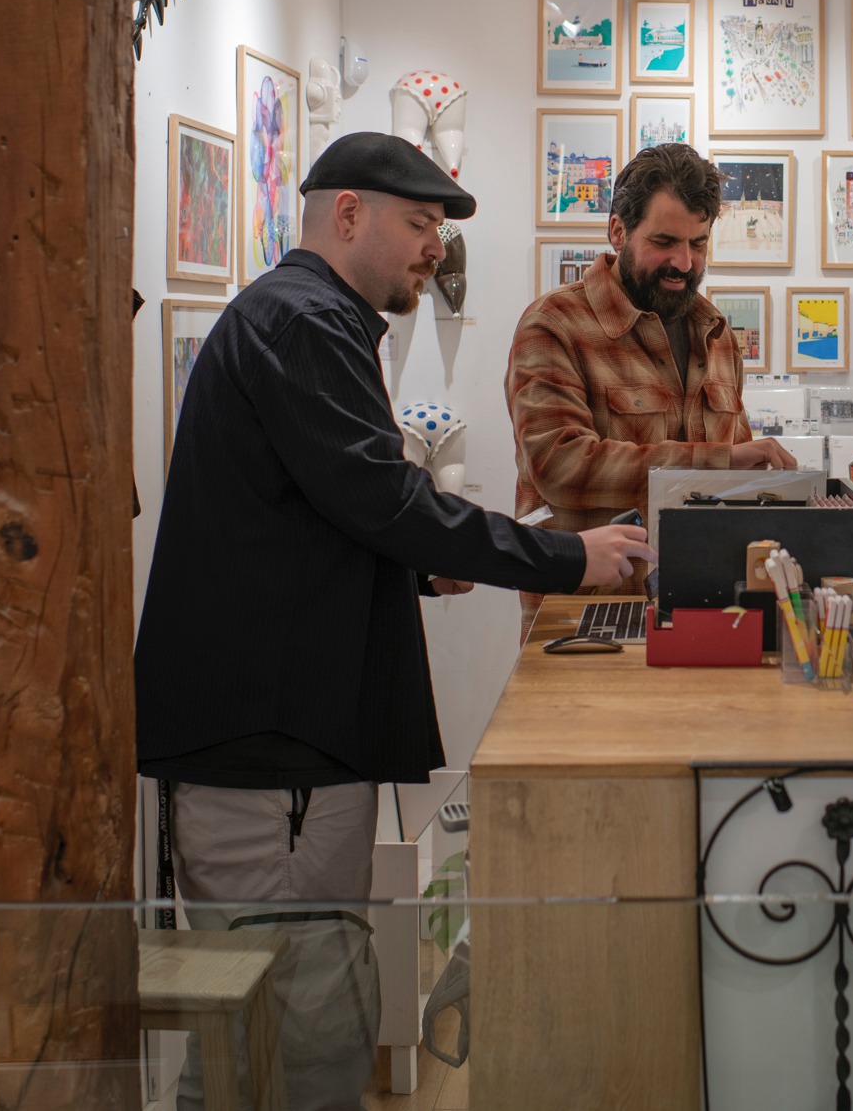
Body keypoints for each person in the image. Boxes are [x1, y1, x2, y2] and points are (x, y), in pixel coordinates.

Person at [135, 131, 652, 1111]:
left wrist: (417, 568)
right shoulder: (302, 325)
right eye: (419, 225)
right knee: (304, 1025)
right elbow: (380, 499)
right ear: (347, 215)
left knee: (265, 1027)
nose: (433, 250)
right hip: (272, 755)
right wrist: (565, 556)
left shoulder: (302, 318)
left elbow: (315, 517)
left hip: (276, 742)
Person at [506, 143, 795, 608]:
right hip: (585, 623)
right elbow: (559, 466)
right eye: (664, 243)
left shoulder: (717, 333)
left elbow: (737, 473)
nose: (684, 263)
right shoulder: (554, 324)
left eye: (698, 244)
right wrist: (717, 462)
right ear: (618, 232)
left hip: (707, 609)